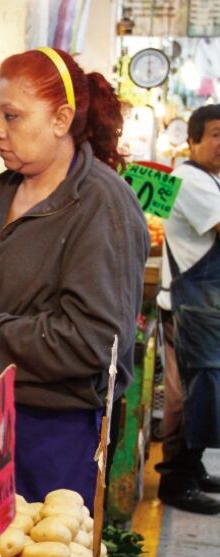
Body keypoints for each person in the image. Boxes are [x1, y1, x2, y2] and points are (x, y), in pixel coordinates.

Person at [0, 47, 150, 509]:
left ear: (61, 119)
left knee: (39, 552)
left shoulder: (101, 208)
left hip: (49, 434)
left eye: (12, 117)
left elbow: (93, 339)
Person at [155, 104, 220, 514]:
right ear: (192, 140)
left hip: (202, 307)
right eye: (215, 135)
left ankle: (191, 469)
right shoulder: (191, 180)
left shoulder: (209, 179)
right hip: (191, 309)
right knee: (189, 396)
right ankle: (176, 482)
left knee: (203, 391)